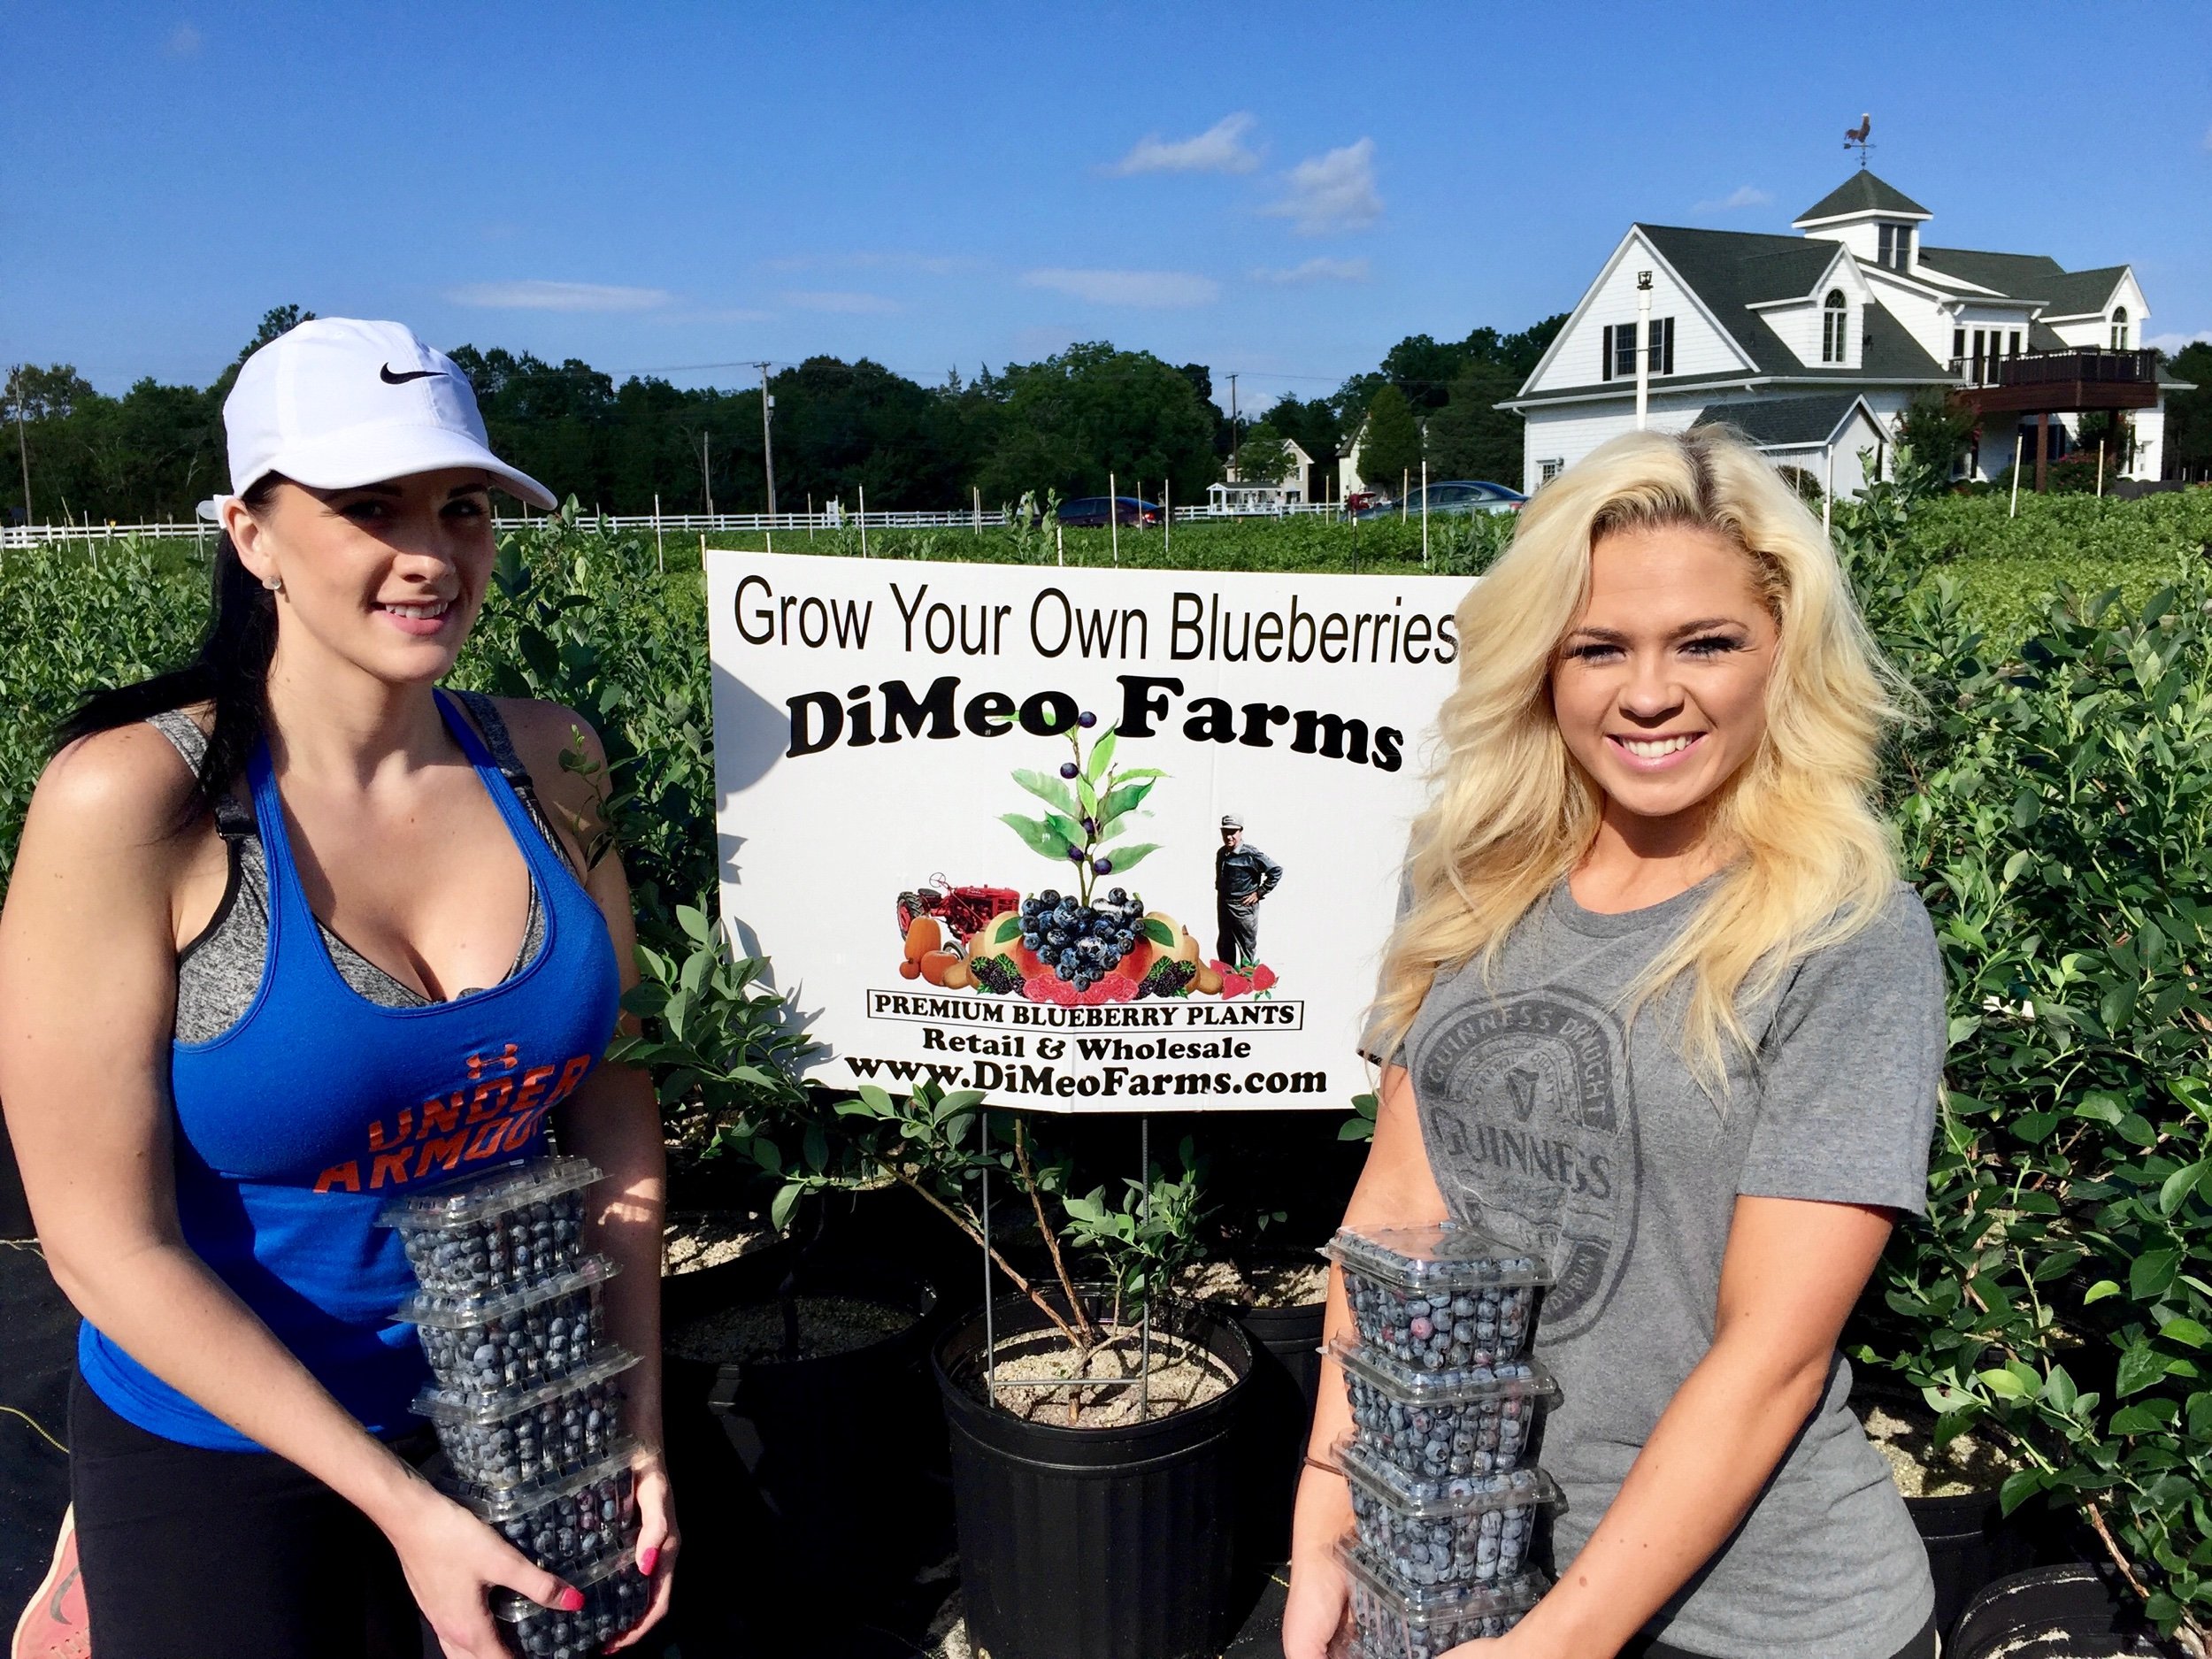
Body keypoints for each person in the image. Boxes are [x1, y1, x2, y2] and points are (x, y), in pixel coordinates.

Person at [0, 319, 676, 1659]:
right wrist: (401, 1507)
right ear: (250, 534)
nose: (431, 552)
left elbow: (614, 1098)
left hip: (513, 1389)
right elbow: (99, 1242)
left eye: (464, 506)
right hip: (227, 1435)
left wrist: (634, 1404)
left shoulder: (552, 760)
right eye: (368, 507)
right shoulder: (138, 802)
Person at [1283, 426, 1943, 1659]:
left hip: (1753, 1617)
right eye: (1600, 647)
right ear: (1541, 663)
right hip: (1468, 1567)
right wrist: (1332, 1506)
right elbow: (1395, 1212)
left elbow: (1774, 1357)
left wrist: (1560, 1644)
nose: (1649, 691)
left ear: (1781, 655)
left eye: (1707, 641)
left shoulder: (1844, 929)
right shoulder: (1472, 877)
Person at [1213, 814, 1282, 967]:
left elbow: (1276, 870)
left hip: (1243, 906)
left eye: (1233, 832)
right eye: (1225, 832)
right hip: (1223, 903)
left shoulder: (1251, 854)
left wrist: (1259, 893)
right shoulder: (1221, 852)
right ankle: (1226, 979)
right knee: (1225, 942)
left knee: (1246, 945)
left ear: (1241, 831)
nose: (1229, 836)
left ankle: (1246, 982)